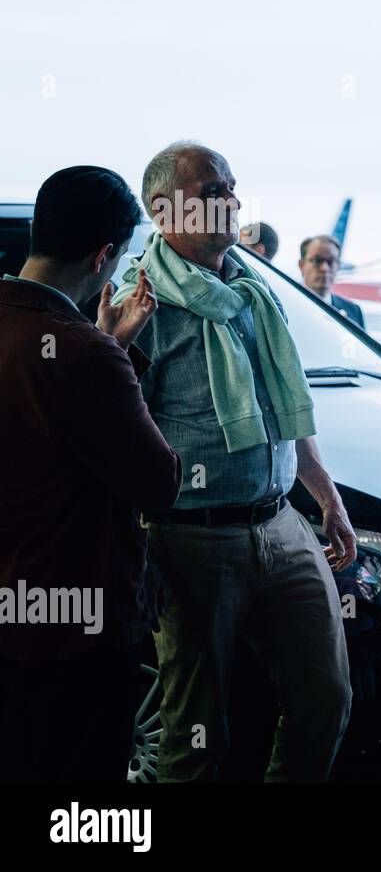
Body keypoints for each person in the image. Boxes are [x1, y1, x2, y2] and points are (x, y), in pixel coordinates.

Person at [126, 140, 356, 781]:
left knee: (326, 698)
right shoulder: (139, 304)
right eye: (212, 192)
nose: (231, 202)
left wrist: (326, 496)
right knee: (195, 737)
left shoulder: (252, 290)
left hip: (281, 523)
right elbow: (115, 442)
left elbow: (286, 404)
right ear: (164, 210)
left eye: (231, 187)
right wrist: (137, 544)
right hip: (188, 541)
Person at [0, 166, 181, 782]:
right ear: (106, 254)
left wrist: (104, 346)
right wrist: (114, 353)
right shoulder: (82, 352)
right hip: (72, 630)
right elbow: (157, 484)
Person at [299, 234, 364, 327]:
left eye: (331, 262)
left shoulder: (353, 311)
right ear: (301, 265)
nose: (324, 268)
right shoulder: (286, 306)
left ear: (338, 266)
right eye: (317, 261)